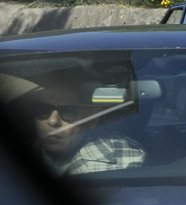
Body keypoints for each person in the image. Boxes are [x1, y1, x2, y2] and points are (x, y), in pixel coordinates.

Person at [2, 74, 145, 174]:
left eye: (69, 113)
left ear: (92, 120)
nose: (53, 121)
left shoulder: (119, 158)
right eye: (43, 110)